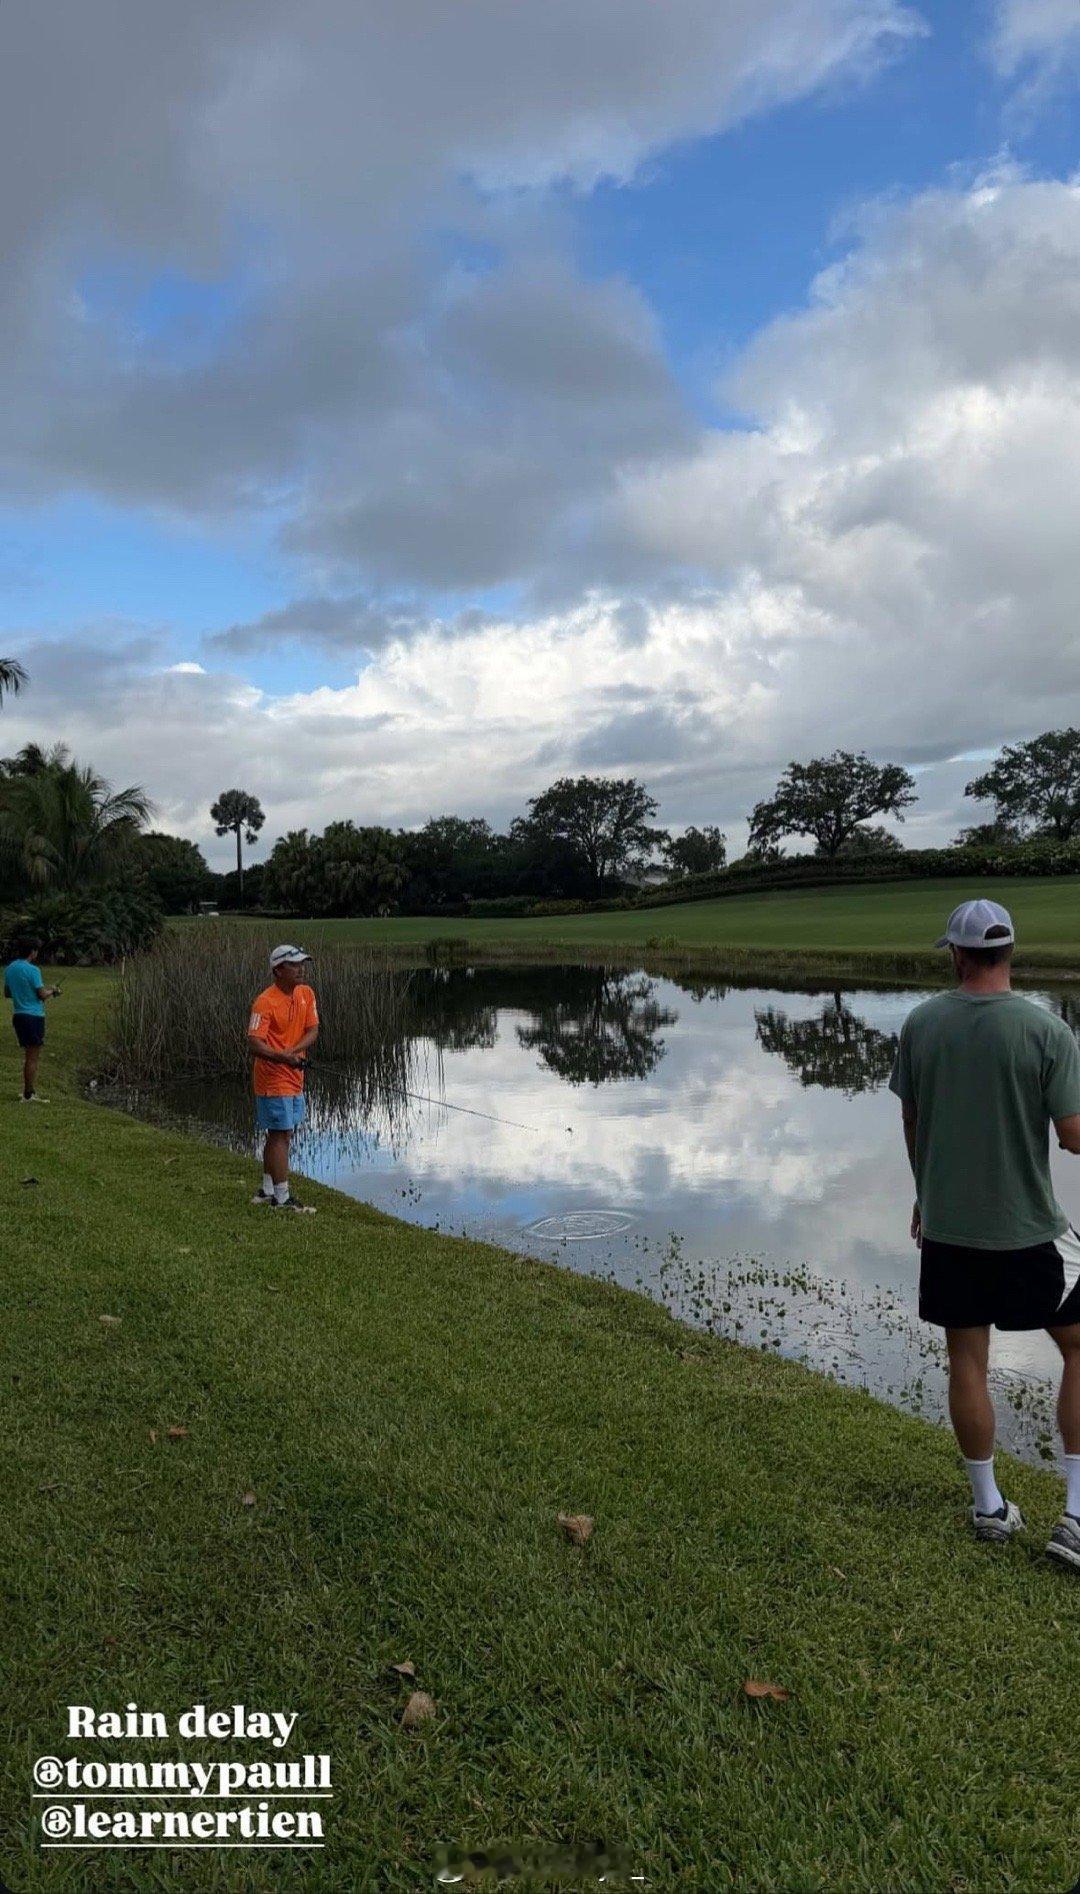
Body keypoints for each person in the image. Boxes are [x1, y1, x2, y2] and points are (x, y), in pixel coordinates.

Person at [890, 899, 1080, 1571]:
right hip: (1030, 1233)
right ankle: (1076, 1517)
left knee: (966, 1360)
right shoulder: (1047, 1030)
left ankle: (989, 1508)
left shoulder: (921, 1024)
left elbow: (914, 1121)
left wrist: (926, 1195)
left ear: (957, 955)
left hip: (949, 1229)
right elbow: (1073, 1136)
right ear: (1010, 953)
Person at [247, 944, 319, 1214]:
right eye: (294, 964)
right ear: (278, 970)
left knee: (282, 1133)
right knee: (280, 1135)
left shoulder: (306, 993)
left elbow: (313, 1030)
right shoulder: (264, 1002)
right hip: (272, 1078)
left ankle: (267, 1191)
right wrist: (283, 1057)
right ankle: (281, 1198)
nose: (301, 969)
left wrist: (293, 1053)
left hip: (294, 1076)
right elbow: (254, 1043)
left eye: (302, 963)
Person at [4, 938, 60, 1103]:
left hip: (19, 1016)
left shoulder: (10, 968)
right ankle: (28, 1095)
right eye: (36, 951)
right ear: (32, 952)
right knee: (32, 1057)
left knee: (29, 1055)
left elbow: (7, 993)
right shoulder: (33, 970)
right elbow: (41, 995)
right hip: (33, 1017)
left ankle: (28, 1092)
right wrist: (53, 991)